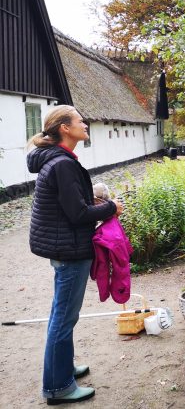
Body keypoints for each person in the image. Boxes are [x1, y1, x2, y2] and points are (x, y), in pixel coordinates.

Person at [26, 105, 123, 405]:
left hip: (63, 245)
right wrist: (111, 208)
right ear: (65, 128)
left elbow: (68, 203)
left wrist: (88, 198)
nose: (85, 124)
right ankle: (57, 388)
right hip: (69, 249)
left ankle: (63, 368)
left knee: (63, 313)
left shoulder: (58, 159)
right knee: (64, 318)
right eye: (80, 121)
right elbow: (78, 214)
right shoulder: (63, 163)